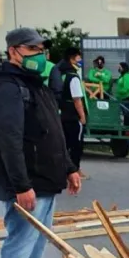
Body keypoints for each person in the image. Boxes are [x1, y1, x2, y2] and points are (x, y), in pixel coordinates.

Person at [0, 28, 81, 258]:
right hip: (28, 184)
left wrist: (69, 167)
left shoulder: (35, 85)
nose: (40, 56)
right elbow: (9, 140)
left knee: (38, 241)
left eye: (42, 50)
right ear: (13, 51)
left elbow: (53, 131)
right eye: (33, 50)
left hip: (46, 179)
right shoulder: (6, 88)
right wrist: (21, 185)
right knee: (20, 243)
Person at [59, 50, 87, 180]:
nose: (80, 60)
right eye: (78, 58)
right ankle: (75, 170)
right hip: (73, 115)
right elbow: (77, 99)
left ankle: (62, 169)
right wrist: (82, 116)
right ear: (71, 59)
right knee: (76, 145)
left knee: (64, 144)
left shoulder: (60, 74)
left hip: (61, 113)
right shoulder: (73, 77)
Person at [114, 62, 129, 126]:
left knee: (128, 115)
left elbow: (127, 88)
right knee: (125, 115)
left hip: (128, 97)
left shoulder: (127, 75)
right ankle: (126, 129)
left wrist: (118, 92)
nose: (118, 68)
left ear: (124, 68)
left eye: (120, 67)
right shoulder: (122, 75)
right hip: (123, 98)